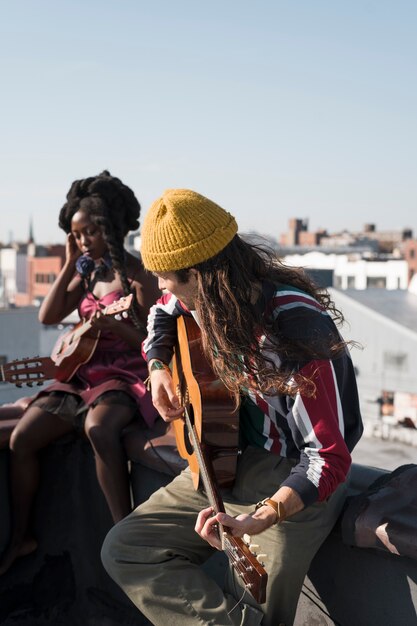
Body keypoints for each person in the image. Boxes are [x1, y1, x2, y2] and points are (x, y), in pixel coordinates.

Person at [101, 189, 363, 626]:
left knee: (253, 600)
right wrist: (159, 366)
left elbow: (328, 457)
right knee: (125, 549)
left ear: (202, 274)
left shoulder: (296, 328)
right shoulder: (197, 301)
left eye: (168, 277)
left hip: (290, 474)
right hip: (220, 458)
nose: (161, 288)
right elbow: (161, 315)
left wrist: (262, 517)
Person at [0, 170, 160, 575]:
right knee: (22, 438)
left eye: (90, 231)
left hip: (124, 374)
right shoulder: (88, 271)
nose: (85, 239)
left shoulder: (138, 275)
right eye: (78, 233)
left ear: (110, 228)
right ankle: (22, 537)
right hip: (81, 375)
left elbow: (150, 338)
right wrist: (70, 261)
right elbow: (48, 314)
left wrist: (115, 327)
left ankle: (125, 539)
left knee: (100, 430)